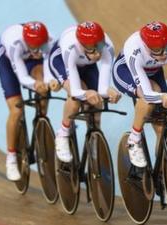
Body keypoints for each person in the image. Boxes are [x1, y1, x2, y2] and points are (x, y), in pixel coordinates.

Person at [113, 21, 167, 167]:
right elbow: (147, 93)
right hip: (126, 71)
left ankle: (161, 170)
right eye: (158, 49)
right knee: (148, 98)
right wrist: (161, 97)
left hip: (153, 71)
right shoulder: (133, 48)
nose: (165, 53)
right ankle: (134, 140)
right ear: (146, 47)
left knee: (164, 122)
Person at [0, 21, 60, 181]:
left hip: (30, 59)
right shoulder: (14, 44)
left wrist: (49, 81)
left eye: (41, 47)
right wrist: (34, 84)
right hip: (8, 62)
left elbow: (48, 64)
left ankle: (40, 123)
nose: (39, 50)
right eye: (35, 47)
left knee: (44, 83)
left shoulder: (49, 41)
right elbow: (23, 77)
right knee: (16, 110)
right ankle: (11, 157)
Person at [49, 21, 121, 163]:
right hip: (62, 62)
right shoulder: (70, 48)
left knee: (97, 104)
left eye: (99, 46)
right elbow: (76, 91)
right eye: (91, 48)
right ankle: (62, 134)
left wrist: (109, 92)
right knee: (77, 97)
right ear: (82, 45)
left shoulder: (108, 46)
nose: (97, 53)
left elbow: (102, 88)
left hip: (87, 66)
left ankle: (94, 137)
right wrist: (85, 93)